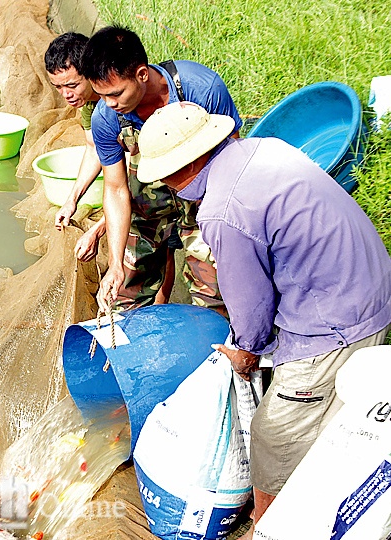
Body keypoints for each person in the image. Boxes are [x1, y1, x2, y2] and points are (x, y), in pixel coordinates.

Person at [135, 101, 391, 530]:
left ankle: (265, 524)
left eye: (164, 173)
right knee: (333, 421)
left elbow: (250, 309)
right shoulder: (264, 148)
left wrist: (244, 351)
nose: (163, 182)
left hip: (334, 323)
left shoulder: (222, 210)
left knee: (275, 436)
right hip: (373, 286)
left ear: (185, 167)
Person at [80, 25, 241, 313]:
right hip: (147, 208)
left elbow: (234, 159)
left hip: (203, 202)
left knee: (218, 296)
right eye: (101, 95)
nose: (109, 103)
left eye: (116, 93)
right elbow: (116, 189)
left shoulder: (201, 89)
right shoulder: (106, 118)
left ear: (141, 74)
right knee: (123, 297)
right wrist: (115, 263)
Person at [44, 32, 107, 262]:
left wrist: (98, 230)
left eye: (72, 85)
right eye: (58, 87)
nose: (66, 95)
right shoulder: (90, 105)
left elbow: (132, 183)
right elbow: (94, 149)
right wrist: (71, 201)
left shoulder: (117, 104)